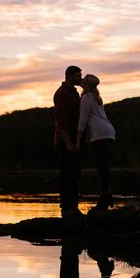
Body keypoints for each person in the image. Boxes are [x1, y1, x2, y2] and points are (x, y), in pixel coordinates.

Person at [76, 74, 116, 209]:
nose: (81, 80)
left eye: (83, 80)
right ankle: (106, 197)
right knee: (103, 166)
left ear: (86, 84)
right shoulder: (96, 97)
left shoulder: (86, 98)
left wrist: (77, 140)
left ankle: (105, 198)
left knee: (102, 167)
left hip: (100, 134)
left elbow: (83, 120)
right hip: (108, 132)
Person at [53, 66, 83, 218]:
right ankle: (67, 208)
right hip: (67, 142)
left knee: (75, 174)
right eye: (78, 76)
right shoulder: (63, 94)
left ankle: (73, 207)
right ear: (69, 76)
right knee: (67, 175)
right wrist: (69, 143)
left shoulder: (73, 92)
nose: (80, 79)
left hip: (74, 141)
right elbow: (61, 121)